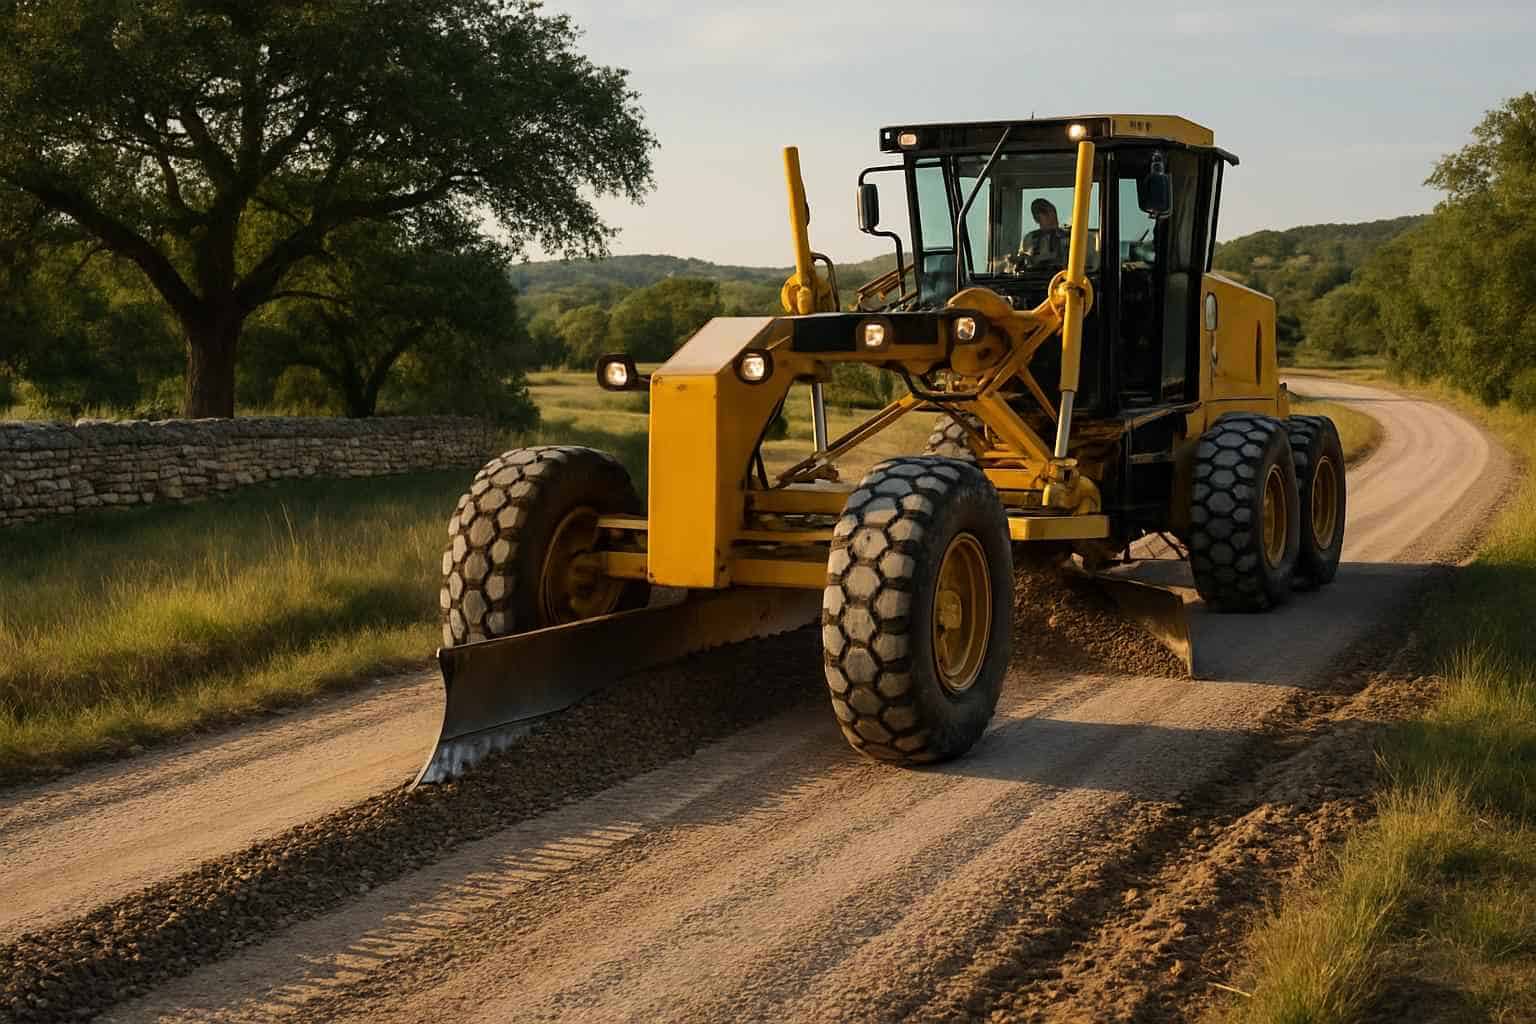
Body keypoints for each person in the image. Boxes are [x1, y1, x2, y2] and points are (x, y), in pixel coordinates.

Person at [1019, 197, 1070, 267]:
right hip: (1037, 276)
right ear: (1036, 218)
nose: (1051, 217)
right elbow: (1024, 262)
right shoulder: (1030, 238)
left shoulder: (1069, 236)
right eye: (1045, 213)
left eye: (1053, 212)